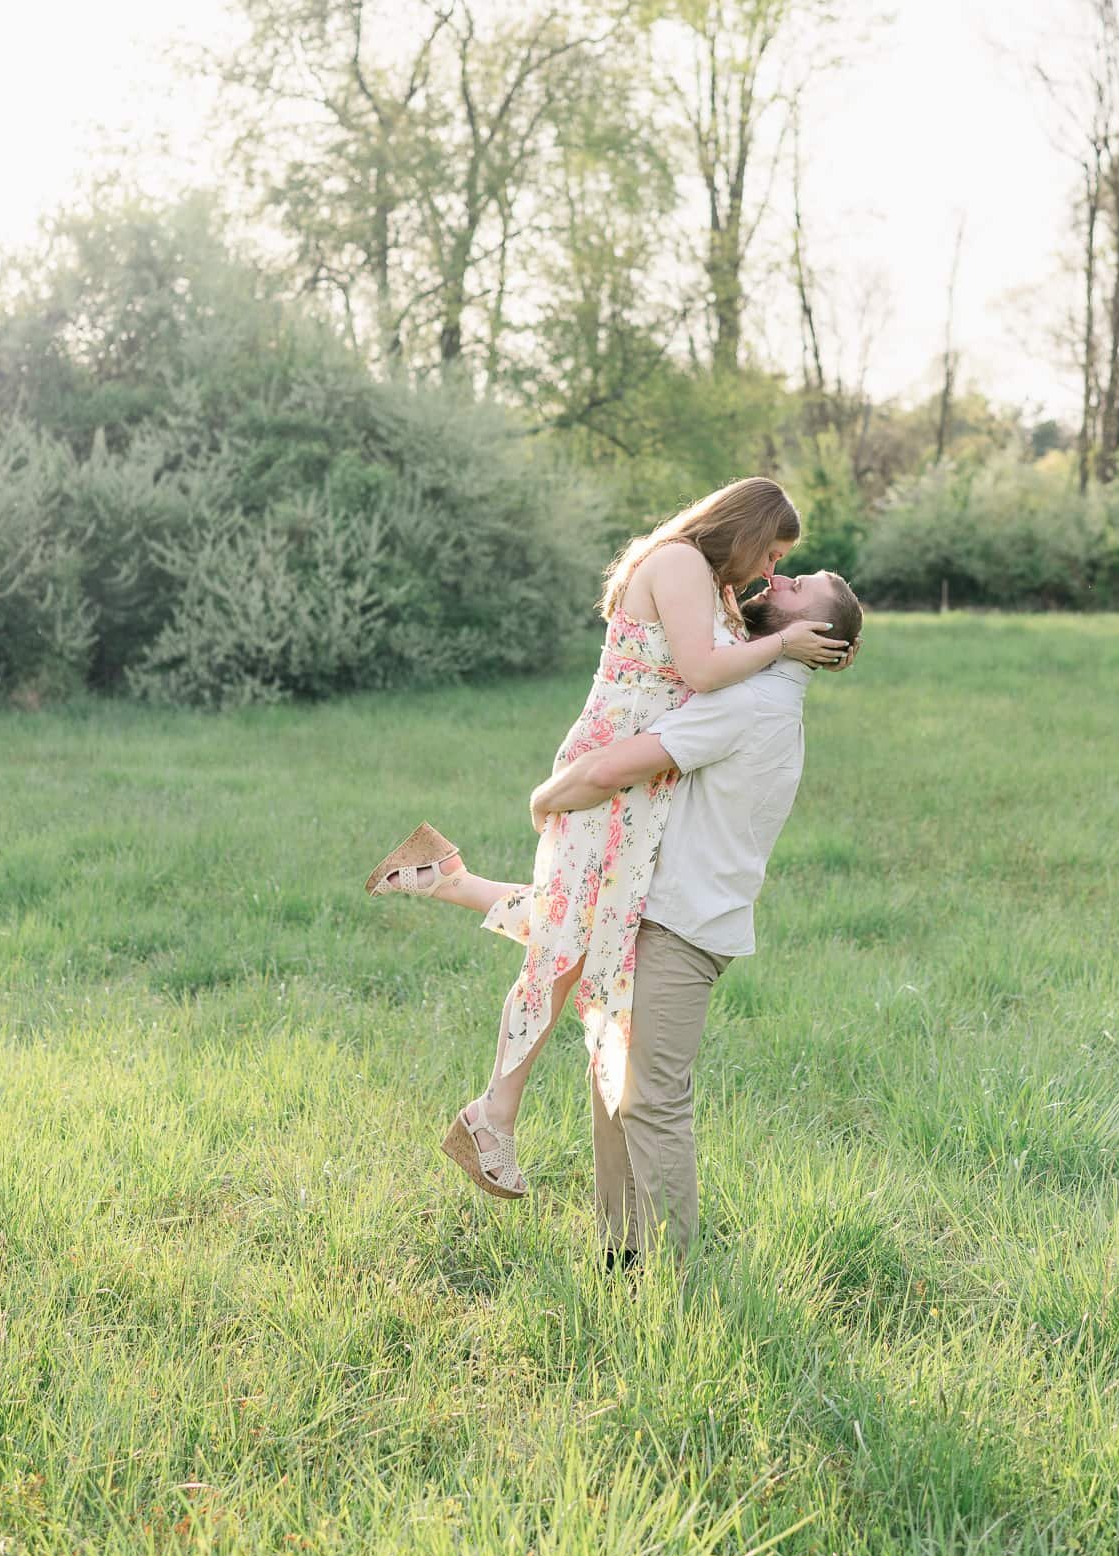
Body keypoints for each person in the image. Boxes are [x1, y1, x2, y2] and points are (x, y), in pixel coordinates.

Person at [364, 477, 854, 1196]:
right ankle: (493, 1114)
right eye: (773, 554)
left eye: (784, 566)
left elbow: (722, 671)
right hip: (615, 763)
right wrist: (785, 639)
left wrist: (804, 645)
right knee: (568, 937)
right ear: (747, 529)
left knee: (586, 925)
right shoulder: (680, 561)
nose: (771, 571)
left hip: (645, 773)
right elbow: (700, 672)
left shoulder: (714, 584)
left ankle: (444, 878)